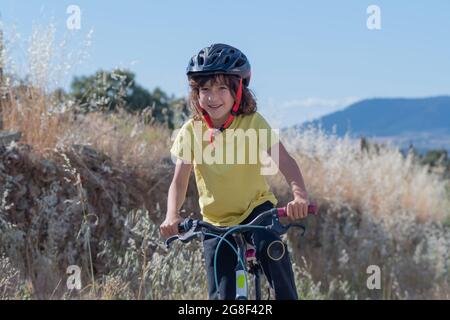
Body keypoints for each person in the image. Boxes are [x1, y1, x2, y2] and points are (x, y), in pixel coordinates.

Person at [160, 43, 310, 300]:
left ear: (238, 91)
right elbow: (179, 180)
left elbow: (285, 162)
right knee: (222, 293)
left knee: (273, 250)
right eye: (204, 89)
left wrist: (299, 197)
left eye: (221, 88)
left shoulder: (252, 123)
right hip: (215, 222)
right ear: (196, 93)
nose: (212, 96)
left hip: (257, 210)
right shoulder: (190, 131)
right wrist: (171, 216)